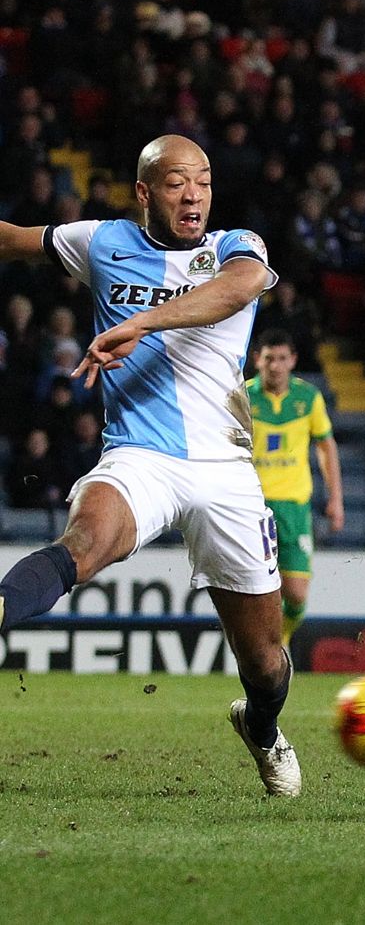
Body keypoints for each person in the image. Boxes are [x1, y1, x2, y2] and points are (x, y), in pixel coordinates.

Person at [0, 135, 301, 797]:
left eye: (204, 181)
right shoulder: (101, 241)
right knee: (85, 541)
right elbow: (14, 239)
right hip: (141, 454)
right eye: (176, 182)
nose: (194, 195)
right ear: (144, 191)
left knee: (263, 661)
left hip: (224, 469)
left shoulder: (235, 246)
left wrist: (144, 322)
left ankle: (261, 726)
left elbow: (240, 289)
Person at [248, 327, 344, 647]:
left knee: (296, 593)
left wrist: (336, 499)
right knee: (259, 591)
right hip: (253, 507)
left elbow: (326, 447)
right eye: (269, 359)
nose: (275, 366)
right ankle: (264, 652)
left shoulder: (308, 398)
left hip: (294, 506)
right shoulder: (242, 396)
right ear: (256, 360)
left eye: (281, 358)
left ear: (293, 360)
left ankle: (282, 637)